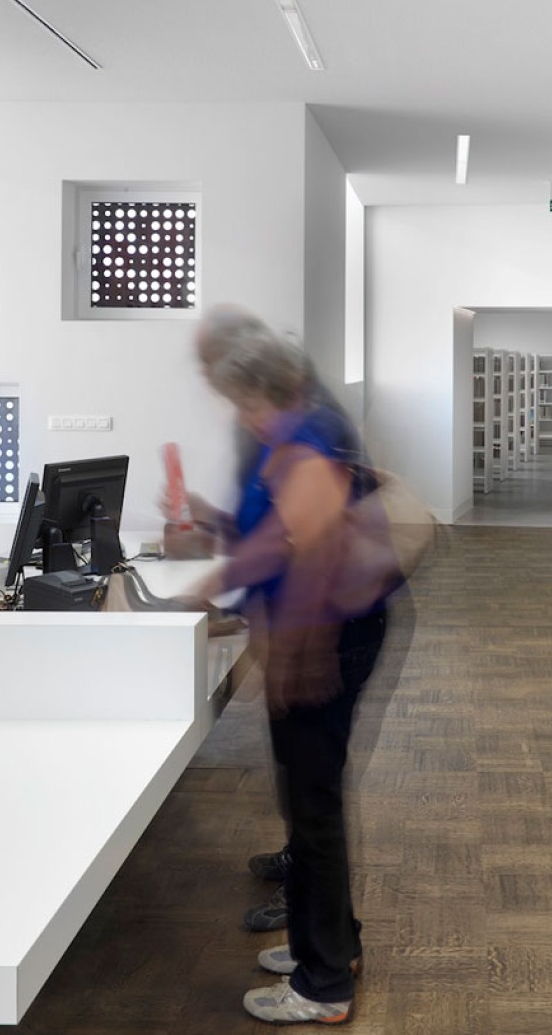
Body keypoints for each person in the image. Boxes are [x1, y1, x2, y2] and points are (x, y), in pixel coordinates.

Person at [186, 328, 385, 1026]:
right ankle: (329, 946)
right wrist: (214, 533)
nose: (239, 418)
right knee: (307, 806)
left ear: (272, 390)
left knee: (312, 807)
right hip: (314, 634)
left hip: (319, 639)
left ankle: (323, 985)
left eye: (242, 404)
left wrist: (296, 645)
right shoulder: (292, 432)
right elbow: (270, 536)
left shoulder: (307, 440)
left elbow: (305, 546)